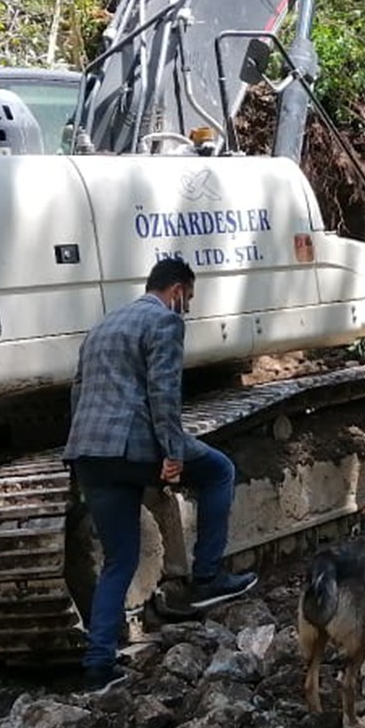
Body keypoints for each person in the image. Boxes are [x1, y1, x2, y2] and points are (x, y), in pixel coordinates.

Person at [64, 257, 257, 692]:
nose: (185, 306)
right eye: (187, 298)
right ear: (176, 291)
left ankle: (99, 666)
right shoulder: (165, 322)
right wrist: (172, 453)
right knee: (219, 471)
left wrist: (79, 456)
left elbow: (77, 391)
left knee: (120, 560)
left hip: (89, 451)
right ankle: (207, 578)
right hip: (134, 444)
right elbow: (163, 391)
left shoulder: (102, 327)